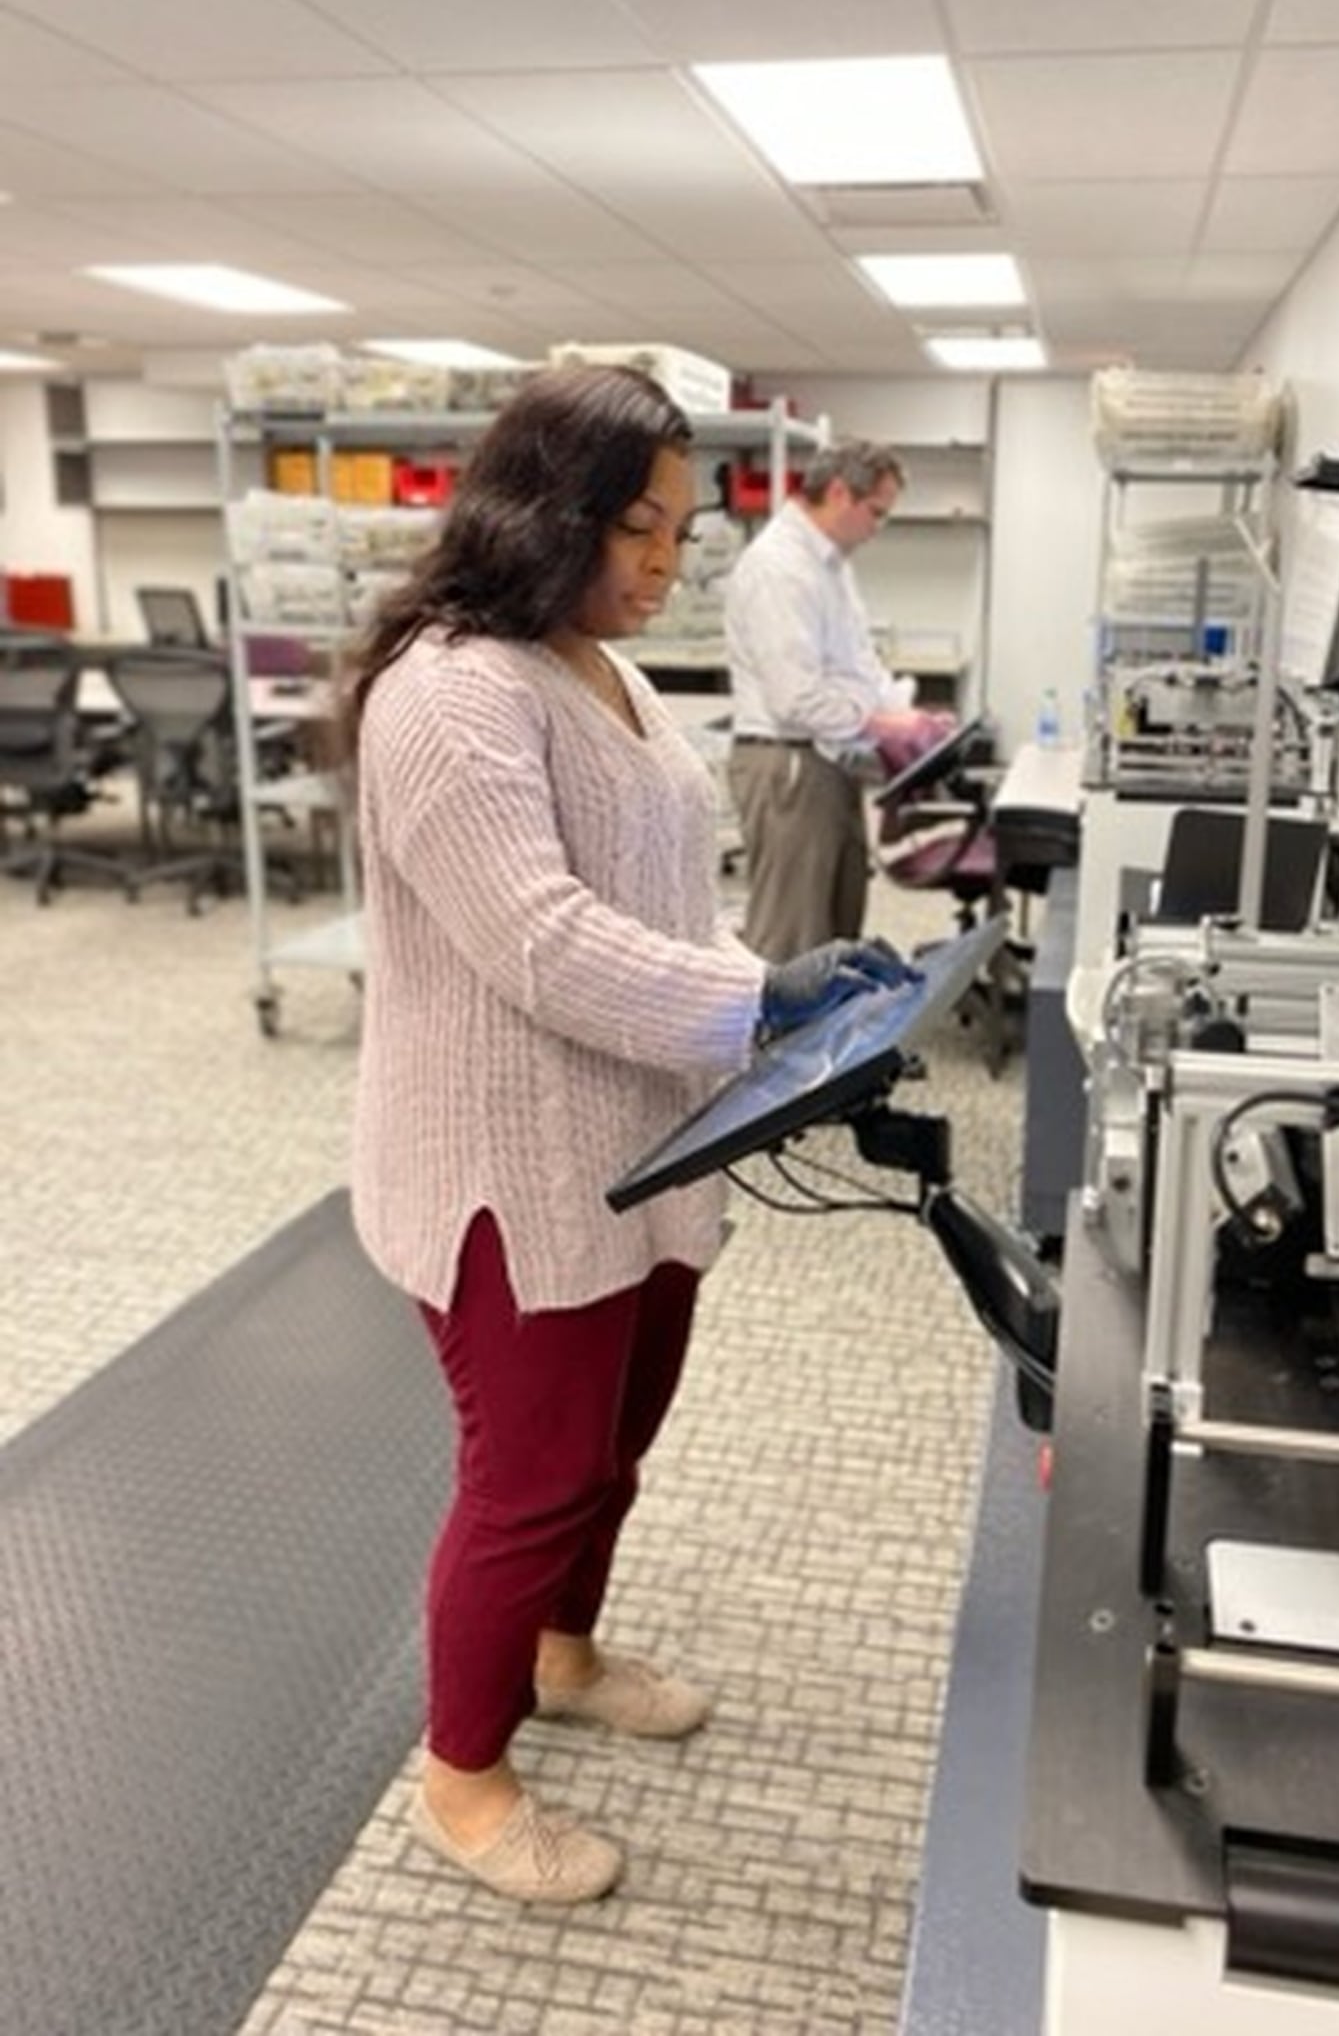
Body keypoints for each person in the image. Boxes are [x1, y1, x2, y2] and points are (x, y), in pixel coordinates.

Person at [338, 365, 915, 1907]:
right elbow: (540, 942)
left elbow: (655, 899)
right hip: (507, 1172)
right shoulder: (453, 693)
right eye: (637, 532)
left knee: (613, 1453)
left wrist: (758, 984)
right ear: (547, 517)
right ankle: (462, 1781)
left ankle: (562, 1650)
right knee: (526, 1481)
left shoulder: (604, 667)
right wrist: (756, 1000)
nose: (665, 565)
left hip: (642, 1146)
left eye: (678, 532)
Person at [722, 439, 952, 959]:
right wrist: (883, 726)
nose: (879, 527)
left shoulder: (832, 565)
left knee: (838, 922)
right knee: (793, 936)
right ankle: (770, 1042)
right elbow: (795, 698)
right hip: (789, 762)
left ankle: (827, 1039)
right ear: (841, 493)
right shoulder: (780, 568)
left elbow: (858, 664)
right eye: (876, 513)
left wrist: (906, 714)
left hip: (827, 760)